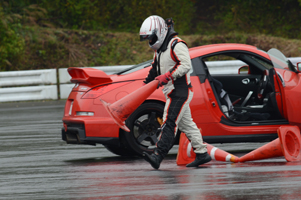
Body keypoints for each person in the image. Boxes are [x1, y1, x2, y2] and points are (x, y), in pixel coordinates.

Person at [139, 15, 211, 169]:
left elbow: (185, 65)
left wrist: (168, 75)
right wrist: (144, 86)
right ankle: (202, 153)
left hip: (180, 91)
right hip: (171, 90)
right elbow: (154, 69)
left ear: (159, 33)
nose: (149, 41)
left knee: (169, 122)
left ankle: (158, 155)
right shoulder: (159, 50)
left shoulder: (177, 45)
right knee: (187, 124)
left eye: (150, 38)